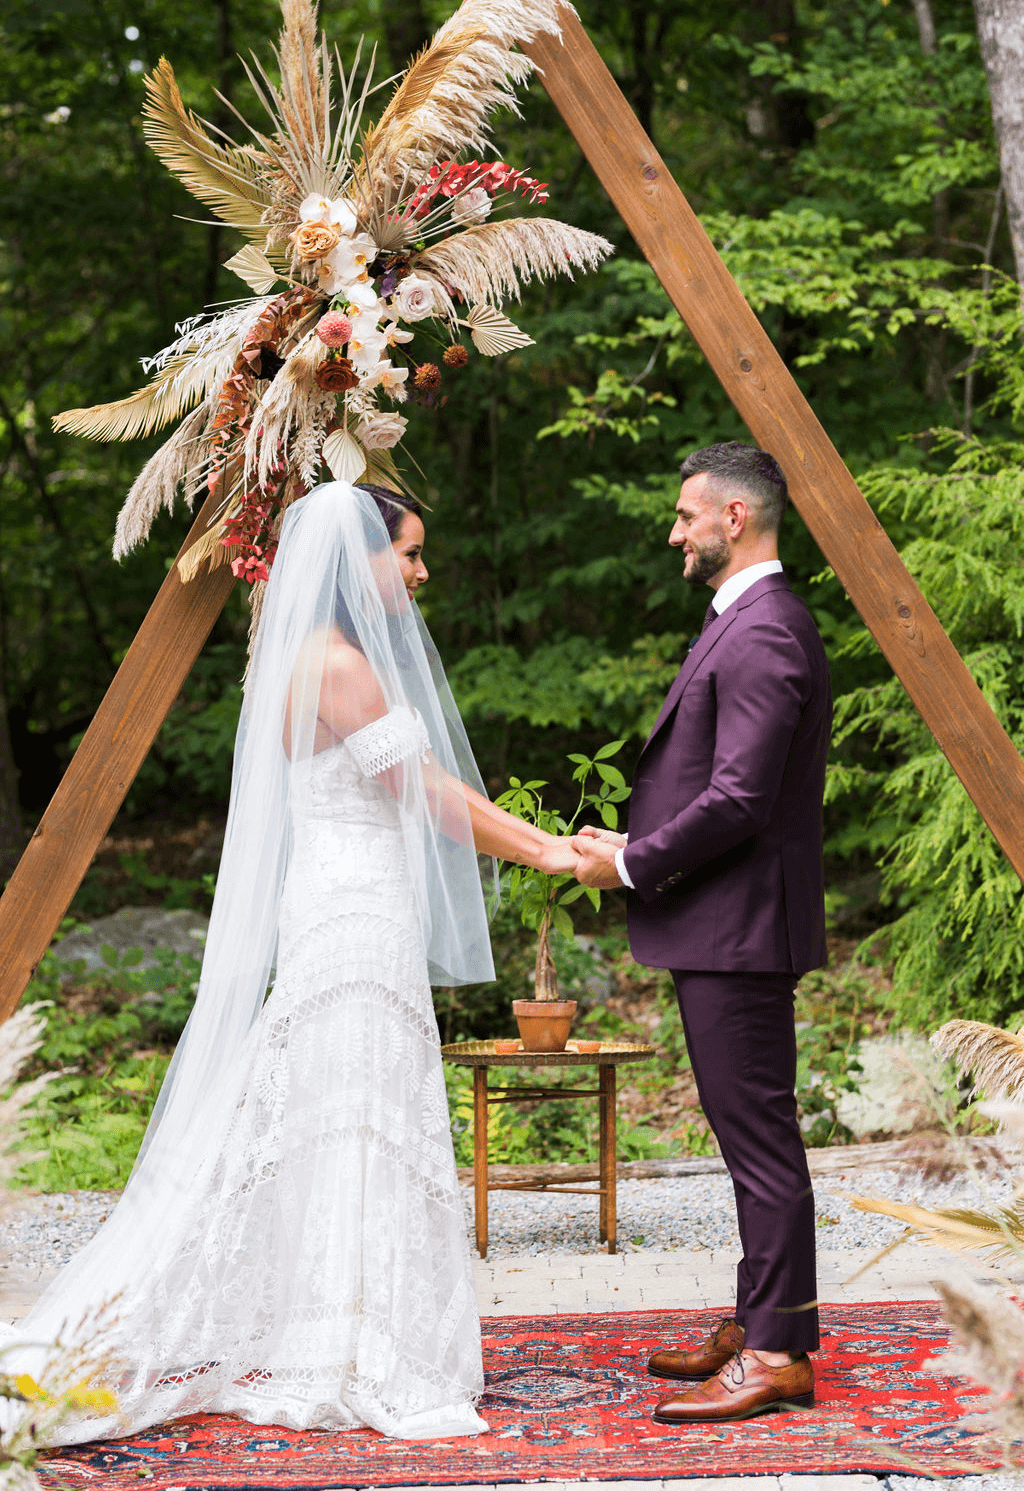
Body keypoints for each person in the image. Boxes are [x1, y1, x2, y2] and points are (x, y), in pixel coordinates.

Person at [3, 480, 576, 1444]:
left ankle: (344, 1329)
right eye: (412, 553)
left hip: (352, 905)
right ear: (361, 561)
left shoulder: (322, 656)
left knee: (349, 1115)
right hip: (351, 915)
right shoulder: (337, 664)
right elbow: (426, 792)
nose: (424, 570)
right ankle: (330, 1343)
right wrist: (549, 848)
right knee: (348, 1116)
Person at [572, 442, 831, 1425]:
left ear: (734, 519)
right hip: (722, 924)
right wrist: (630, 839)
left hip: (740, 928)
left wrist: (632, 864)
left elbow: (738, 800)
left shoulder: (764, 630)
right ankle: (758, 1319)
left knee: (759, 1140)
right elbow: (718, 787)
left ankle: (777, 1353)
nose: (672, 531)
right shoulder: (744, 621)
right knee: (744, 1135)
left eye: (686, 515)